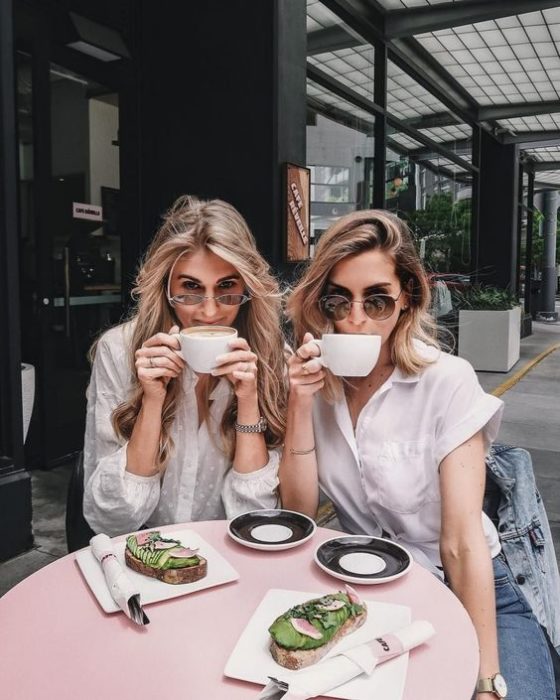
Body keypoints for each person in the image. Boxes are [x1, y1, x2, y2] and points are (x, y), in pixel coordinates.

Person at [279, 209, 556, 700]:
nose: (356, 318)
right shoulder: (313, 382)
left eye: (378, 300)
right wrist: (299, 402)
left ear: (407, 299)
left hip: (474, 588)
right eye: (339, 299)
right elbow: (299, 513)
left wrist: (485, 681)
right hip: (370, 588)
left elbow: (461, 543)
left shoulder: (445, 380)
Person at [83, 195, 286, 536]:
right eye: (190, 288)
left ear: (248, 288)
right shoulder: (119, 350)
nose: (209, 312)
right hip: (143, 549)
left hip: (232, 551)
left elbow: (258, 517)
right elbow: (110, 517)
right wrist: (152, 400)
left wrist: (248, 402)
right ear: (165, 288)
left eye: (227, 288)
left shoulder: (271, 354)